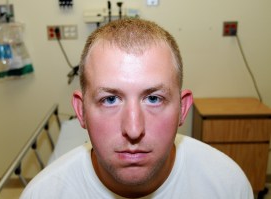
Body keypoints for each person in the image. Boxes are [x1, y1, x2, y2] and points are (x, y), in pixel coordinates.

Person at [20, 18, 253, 198]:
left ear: (183, 108)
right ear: (81, 111)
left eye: (153, 99)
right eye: (110, 99)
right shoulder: (43, 193)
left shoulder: (228, 186)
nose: (133, 130)